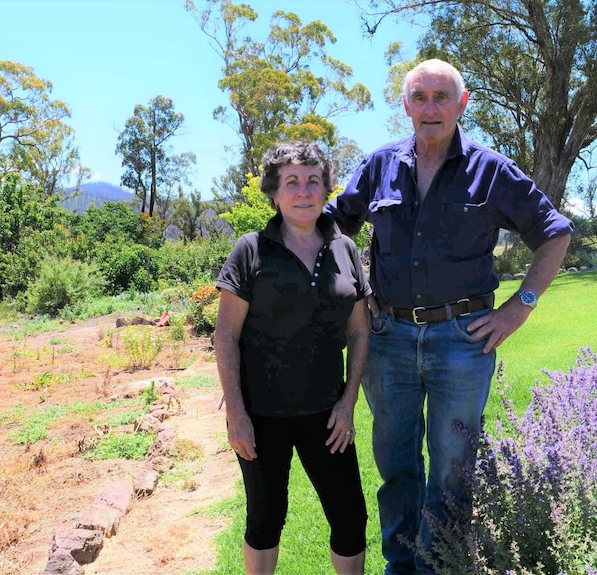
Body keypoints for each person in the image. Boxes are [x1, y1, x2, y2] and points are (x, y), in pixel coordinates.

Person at [325, 59, 573, 574]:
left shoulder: (493, 170)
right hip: (387, 338)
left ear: (462, 105)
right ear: (406, 106)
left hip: (463, 341)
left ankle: (445, 565)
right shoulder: (378, 167)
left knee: (453, 470)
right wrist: (354, 292)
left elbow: (554, 234)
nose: (431, 108)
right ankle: (401, 565)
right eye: (420, 97)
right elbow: (331, 227)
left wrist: (517, 310)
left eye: (442, 97)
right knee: (396, 467)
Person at [215, 141, 370, 575]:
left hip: (328, 414)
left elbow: (359, 331)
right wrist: (237, 416)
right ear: (275, 192)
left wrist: (348, 402)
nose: (304, 191)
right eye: (292, 182)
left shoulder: (346, 250)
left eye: (314, 181)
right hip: (262, 415)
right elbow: (225, 335)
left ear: (326, 189)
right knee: (265, 520)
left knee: (350, 519)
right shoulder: (251, 250)